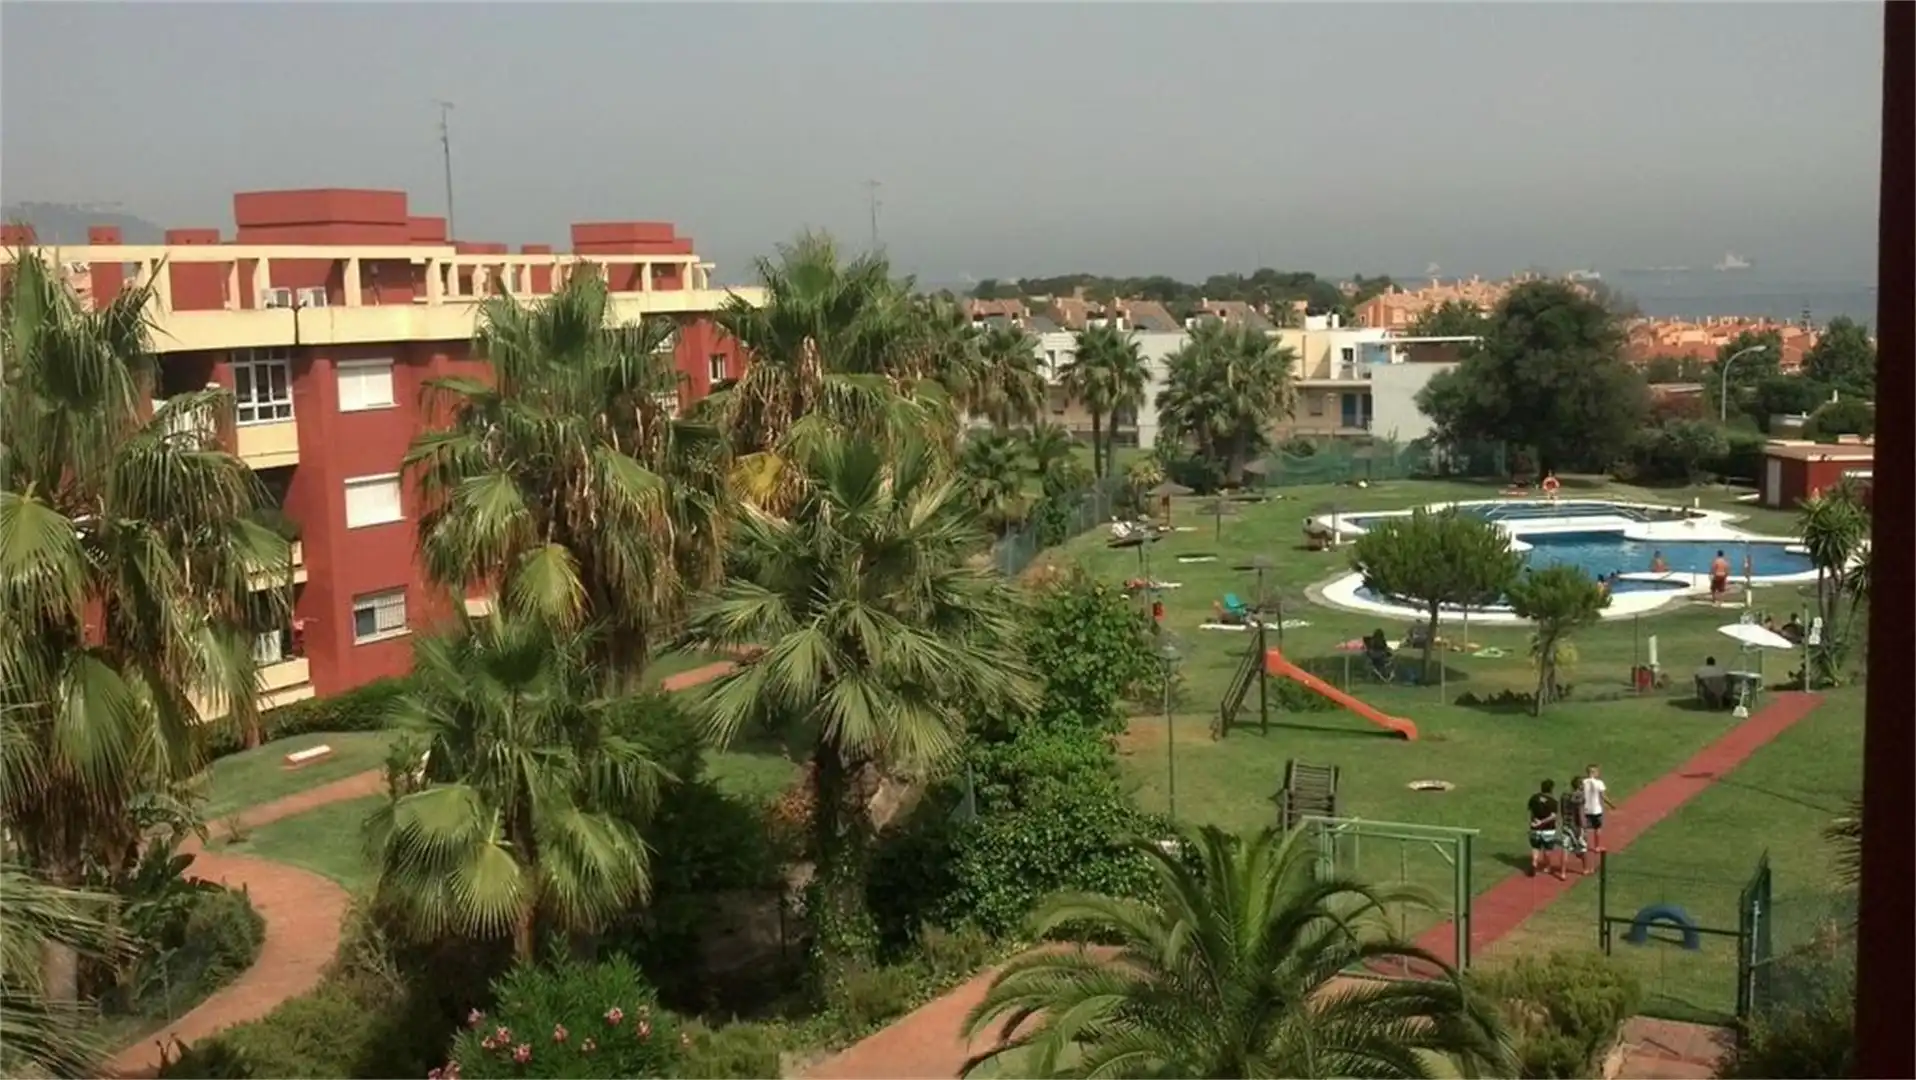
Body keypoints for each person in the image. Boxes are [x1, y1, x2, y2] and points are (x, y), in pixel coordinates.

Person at [1528, 779, 1563, 880]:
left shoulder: (1534, 798)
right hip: (1548, 829)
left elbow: (1531, 812)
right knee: (1547, 849)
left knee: (1535, 847)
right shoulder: (1553, 801)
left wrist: (1534, 821)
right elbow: (1553, 816)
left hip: (1534, 828)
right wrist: (1542, 822)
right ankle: (1547, 867)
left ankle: (1534, 863)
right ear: (1551, 789)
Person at [1559, 775, 1590, 875]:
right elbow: (1580, 814)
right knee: (1583, 848)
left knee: (1565, 849)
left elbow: (1562, 811)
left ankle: (1563, 873)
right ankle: (1585, 869)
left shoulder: (1564, 796)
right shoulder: (1580, 797)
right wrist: (1584, 828)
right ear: (1580, 785)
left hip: (1566, 825)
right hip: (1576, 826)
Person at [1582, 764, 1613, 854]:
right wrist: (1611, 805)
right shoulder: (1599, 783)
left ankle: (1583, 846)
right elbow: (1603, 796)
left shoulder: (1583, 782)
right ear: (1593, 772)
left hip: (1586, 809)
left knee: (1585, 829)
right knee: (1597, 828)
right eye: (1596, 771)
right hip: (1596, 810)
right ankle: (1597, 847)